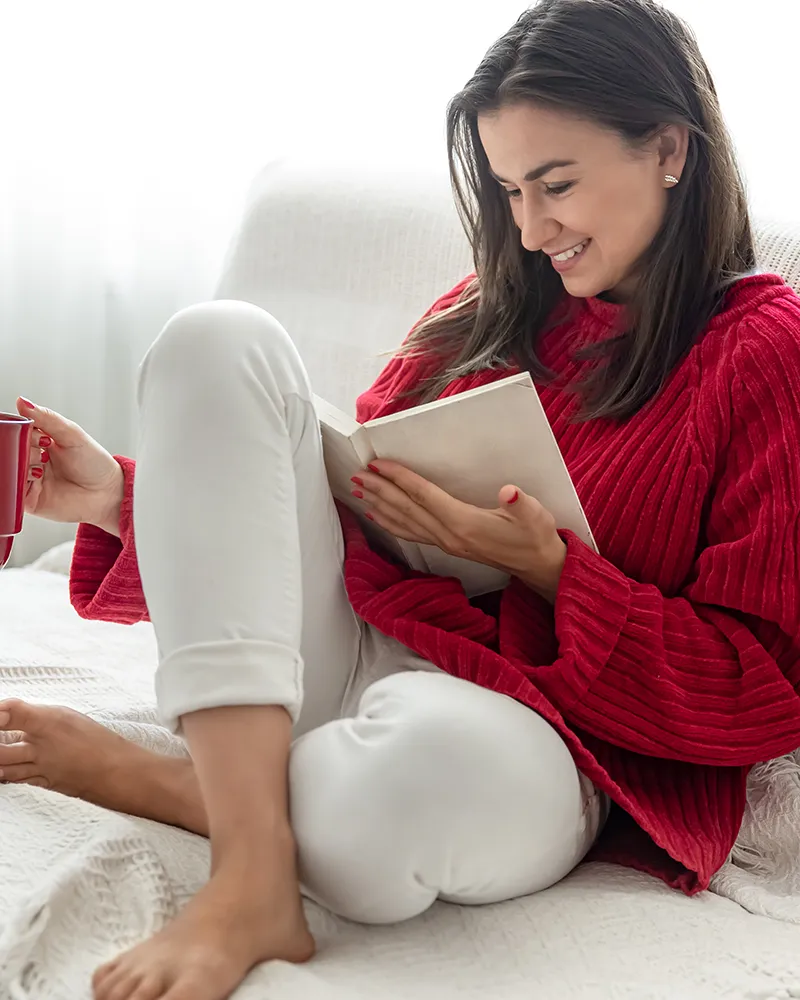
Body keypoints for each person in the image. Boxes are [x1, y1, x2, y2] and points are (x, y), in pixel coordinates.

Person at [4, 0, 800, 997]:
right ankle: (253, 871)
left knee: (374, 801)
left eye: (555, 185)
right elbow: (315, 534)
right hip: (362, 648)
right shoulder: (484, 313)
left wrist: (547, 567)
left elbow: (759, 690)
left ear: (669, 150)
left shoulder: (762, 354)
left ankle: (181, 782)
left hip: (538, 739)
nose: (529, 226)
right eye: (508, 189)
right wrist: (122, 503)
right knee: (218, 339)